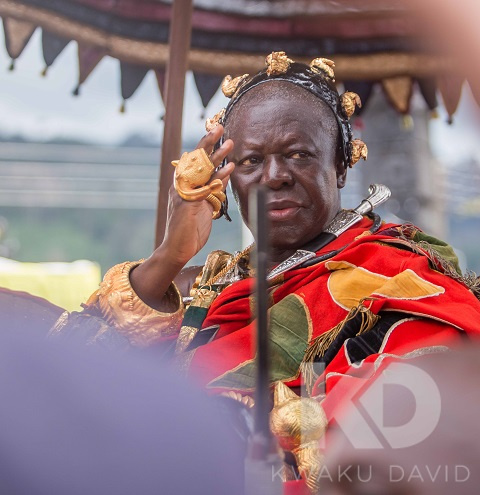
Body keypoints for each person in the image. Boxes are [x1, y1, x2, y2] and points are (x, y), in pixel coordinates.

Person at [51, 52, 480, 494]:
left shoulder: (400, 284)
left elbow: (379, 461)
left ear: (340, 166)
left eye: (298, 154)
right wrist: (170, 254)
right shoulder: (195, 285)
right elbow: (65, 384)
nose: (274, 176)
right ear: (227, 180)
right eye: (252, 161)